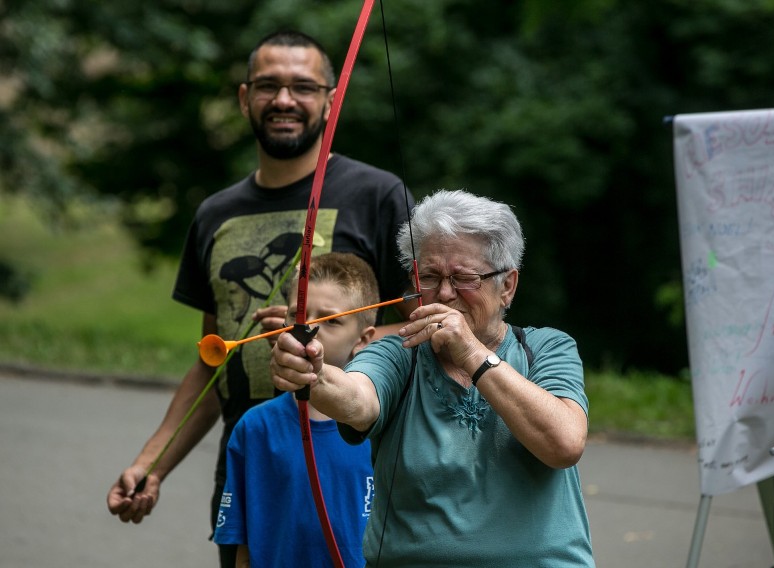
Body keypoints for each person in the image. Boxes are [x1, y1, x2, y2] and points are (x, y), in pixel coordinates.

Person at [106, 29, 415, 567]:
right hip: (252, 452)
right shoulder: (215, 214)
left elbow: (425, 327)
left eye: (303, 86)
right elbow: (212, 360)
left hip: (345, 453)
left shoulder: (378, 194)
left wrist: (324, 338)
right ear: (245, 98)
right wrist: (151, 465)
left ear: (330, 99)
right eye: (268, 86)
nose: (285, 100)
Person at [270, 189, 596, 567]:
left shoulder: (545, 348)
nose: (444, 293)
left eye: (464, 279)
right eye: (429, 276)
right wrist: (313, 373)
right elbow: (357, 396)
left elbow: (564, 443)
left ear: (507, 286)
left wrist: (472, 353)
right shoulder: (399, 353)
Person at [214, 252, 377, 567]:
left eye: (330, 320)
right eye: (298, 317)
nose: (307, 332)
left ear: (363, 340)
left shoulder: (381, 427)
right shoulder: (255, 427)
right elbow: (242, 549)